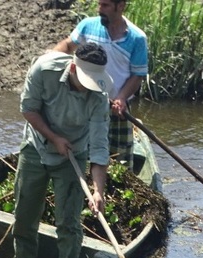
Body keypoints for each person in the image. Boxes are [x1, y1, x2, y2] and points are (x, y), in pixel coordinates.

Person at [12, 43, 113, 258]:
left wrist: (98, 191)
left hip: (73, 154)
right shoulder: (43, 69)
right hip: (36, 146)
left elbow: (99, 147)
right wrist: (54, 138)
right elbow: (28, 109)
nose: (88, 89)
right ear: (73, 69)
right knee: (25, 214)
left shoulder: (99, 97)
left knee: (68, 222)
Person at [53, 0, 148, 169]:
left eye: (105, 5)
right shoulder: (88, 26)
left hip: (115, 107)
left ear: (120, 6)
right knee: (79, 150)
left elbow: (137, 75)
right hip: (84, 102)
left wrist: (122, 98)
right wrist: (50, 58)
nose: (99, 9)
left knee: (121, 160)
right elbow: (68, 45)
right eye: (99, 4)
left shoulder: (136, 38)